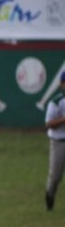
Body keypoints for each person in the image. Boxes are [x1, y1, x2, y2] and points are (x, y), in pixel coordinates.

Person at [43, 72, 65, 211]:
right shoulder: (57, 101)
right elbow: (49, 123)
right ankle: (49, 198)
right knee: (55, 176)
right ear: (62, 84)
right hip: (59, 142)